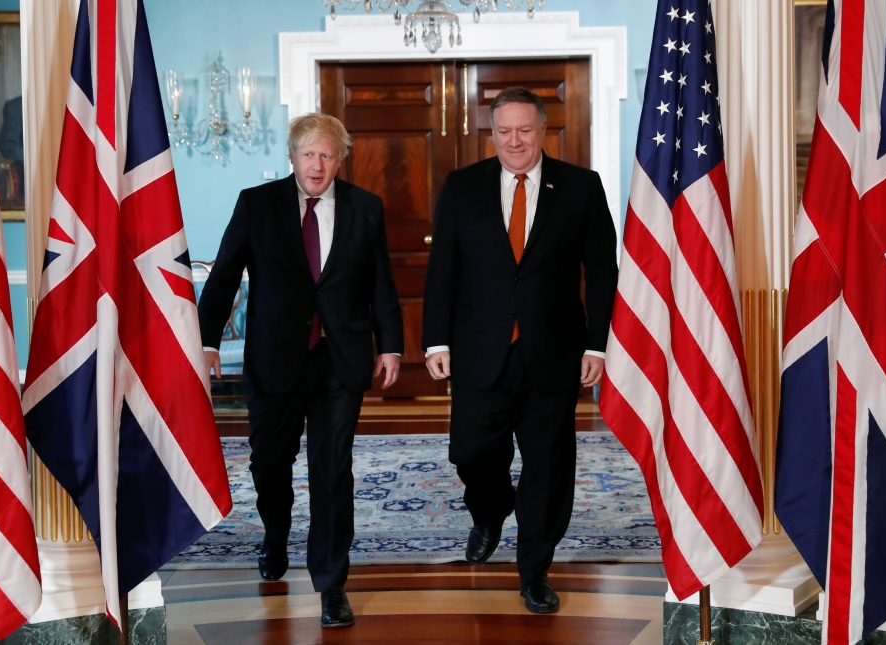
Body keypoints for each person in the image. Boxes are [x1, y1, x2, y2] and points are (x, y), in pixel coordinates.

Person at [197, 113, 404, 628]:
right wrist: (204, 341)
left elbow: (381, 282)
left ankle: (332, 583)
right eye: (309, 154)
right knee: (271, 464)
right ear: (292, 158)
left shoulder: (365, 208)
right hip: (275, 357)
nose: (317, 165)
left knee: (332, 469)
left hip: (340, 358)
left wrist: (392, 345)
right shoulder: (257, 204)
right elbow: (223, 277)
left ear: (341, 159)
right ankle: (274, 535)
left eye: (327, 154)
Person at [422, 87, 618, 614]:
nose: (515, 141)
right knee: (470, 452)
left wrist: (597, 345)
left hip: (553, 355)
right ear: (492, 133)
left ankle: (534, 571)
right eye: (504, 131)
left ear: (542, 131)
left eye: (524, 130)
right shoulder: (463, 187)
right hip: (477, 352)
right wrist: (435, 339)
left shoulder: (581, 187)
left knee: (548, 469)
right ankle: (489, 509)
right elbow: (443, 270)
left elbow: (602, 273)